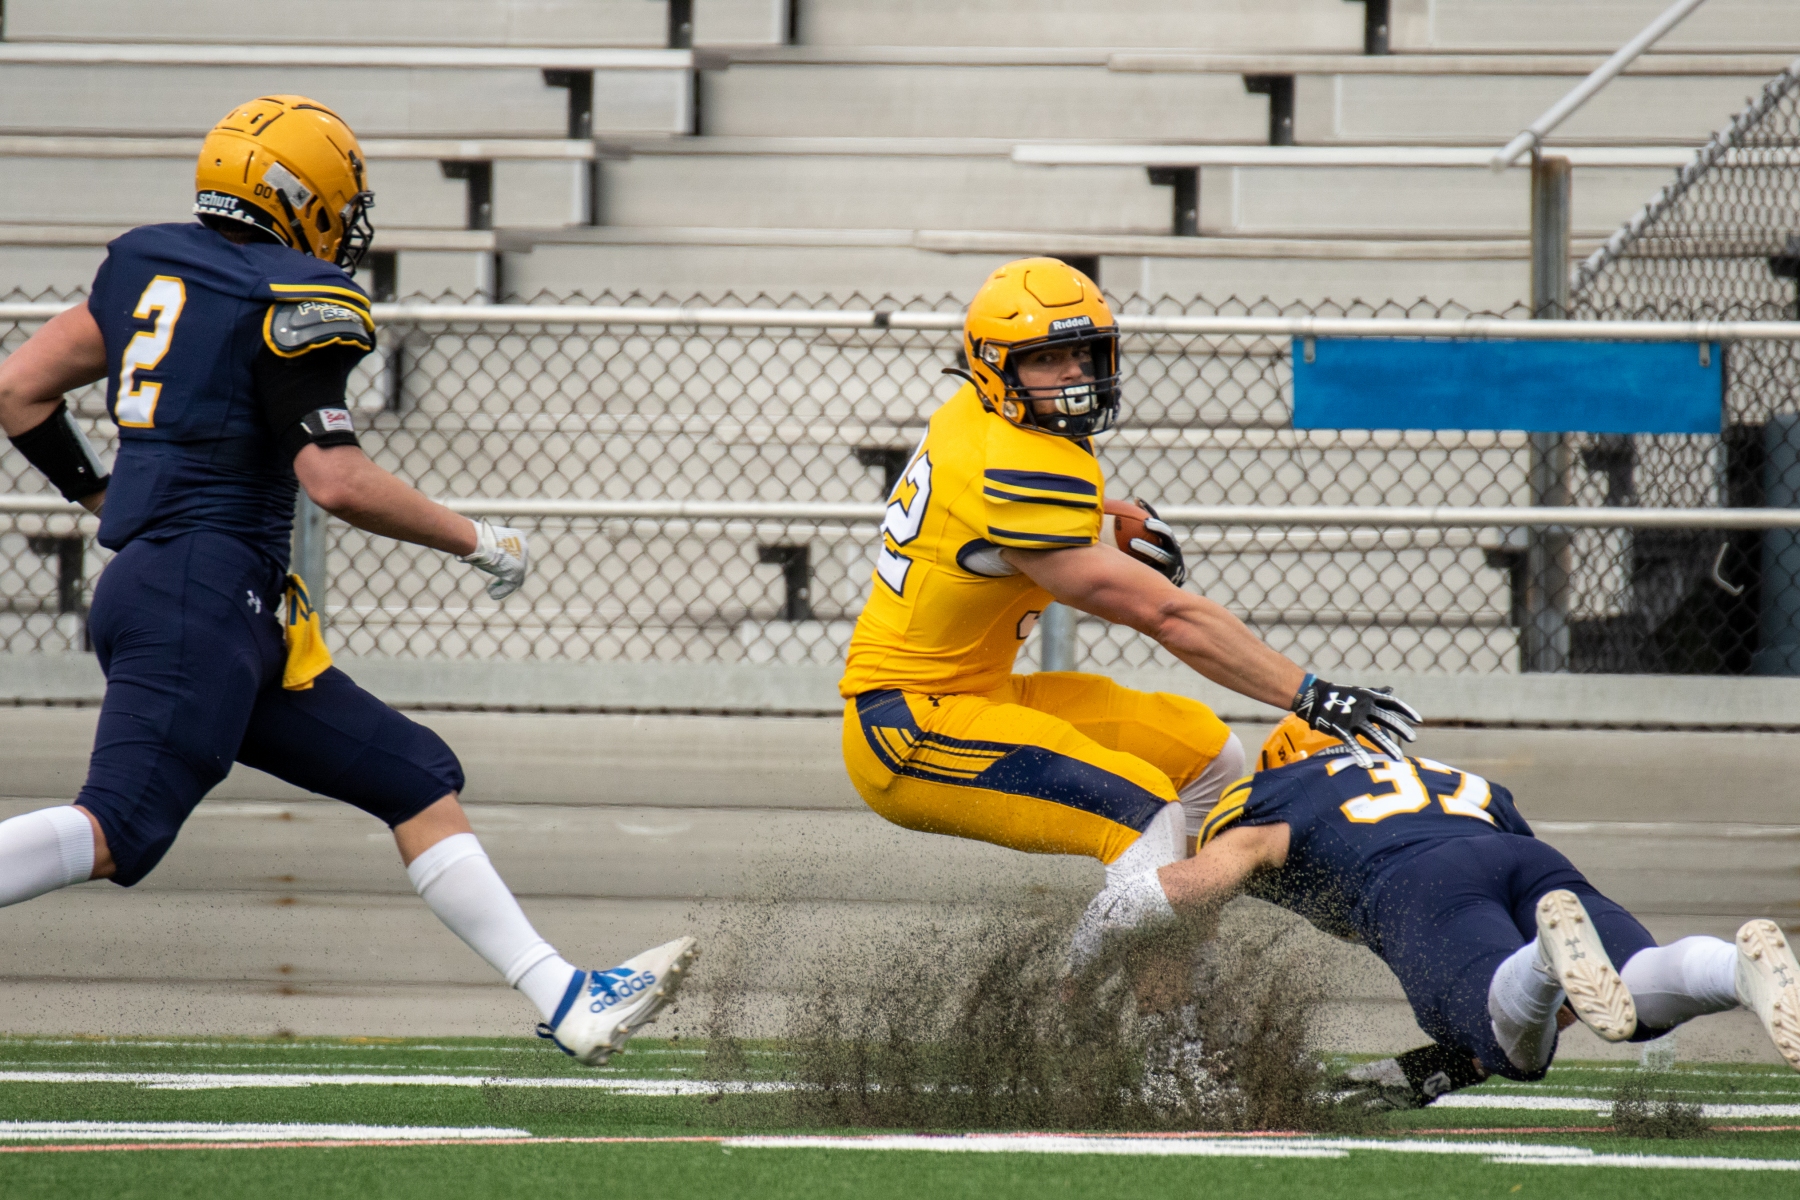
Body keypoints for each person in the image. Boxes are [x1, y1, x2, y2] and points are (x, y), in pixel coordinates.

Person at [0, 94, 695, 1064]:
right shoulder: (294, 298)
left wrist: (96, 494)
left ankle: (563, 994)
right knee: (117, 828)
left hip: (202, 598)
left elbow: (20, 386)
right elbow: (334, 479)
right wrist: (477, 537)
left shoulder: (144, 262)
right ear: (302, 196)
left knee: (414, 777)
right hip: (202, 597)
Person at [836, 256, 1421, 965]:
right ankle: (1125, 1038)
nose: (1074, 375)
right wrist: (1311, 694)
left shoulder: (986, 420)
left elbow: (991, 542)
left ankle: (1175, 985)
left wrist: (1099, 525)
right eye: (1047, 360)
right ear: (995, 367)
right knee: (1142, 810)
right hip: (909, 724)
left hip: (976, 691)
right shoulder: (1008, 467)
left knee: (1207, 755)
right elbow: (1167, 617)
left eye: (1082, 353)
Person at [1136, 716, 1800, 1083]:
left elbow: (1195, 888)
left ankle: (1538, 960)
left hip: (1417, 883)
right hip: (1523, 859)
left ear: (1279, 758)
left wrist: (1109, 921)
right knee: (1631, 1000)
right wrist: (1441, 1066)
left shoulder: (1277, 791)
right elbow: (1578, 987)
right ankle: (1733, 972)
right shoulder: (1452, 779)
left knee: (1518, 1049)